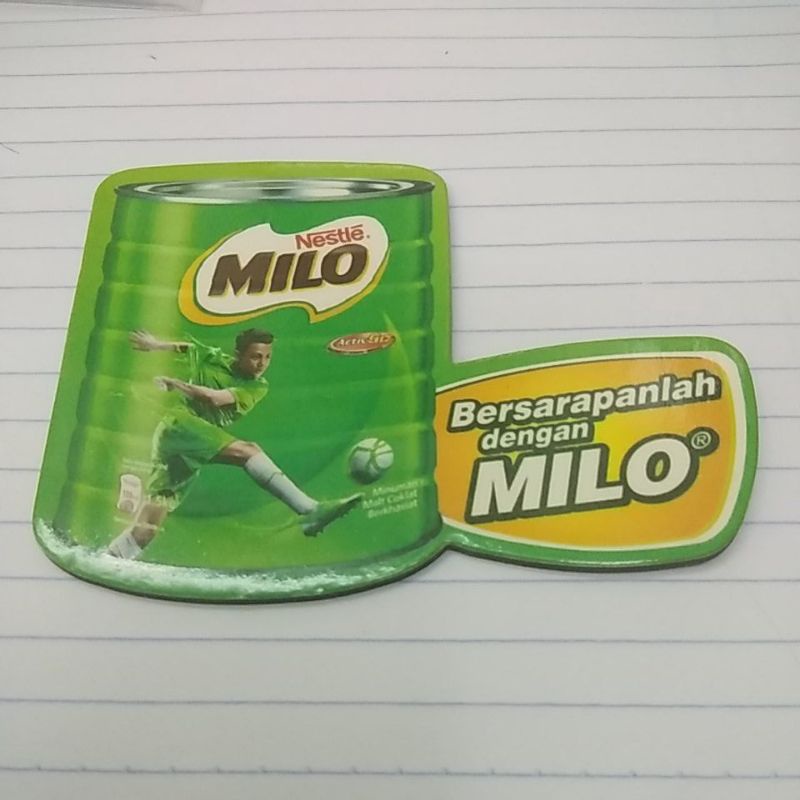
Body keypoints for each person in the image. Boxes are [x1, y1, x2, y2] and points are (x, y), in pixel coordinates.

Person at [106, 328, 360, 559]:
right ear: (238, 355)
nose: (262, 364)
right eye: (255, 356)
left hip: (185, 442)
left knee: (149, 527)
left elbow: (214, 398)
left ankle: (112, 559)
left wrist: (176, 384)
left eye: (267, 357)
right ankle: (310, 510)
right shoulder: (213, 358)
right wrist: (156, 345)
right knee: (249, 451)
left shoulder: (257, 386)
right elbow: (188, 347)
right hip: (180, 425)